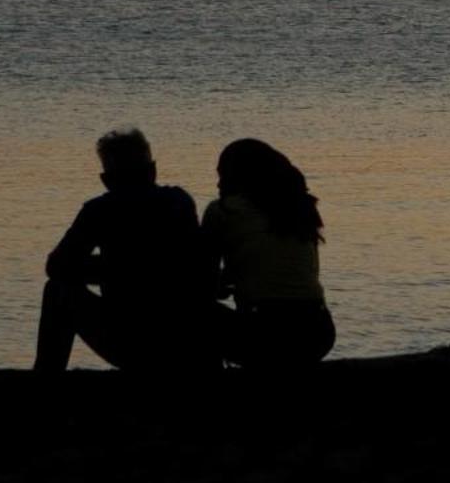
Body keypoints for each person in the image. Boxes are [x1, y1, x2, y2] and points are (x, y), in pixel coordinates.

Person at [35, 128, 217, 373]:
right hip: (185, 337)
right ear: (152, 170)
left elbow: (56, 267)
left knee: (57, 292)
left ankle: (46, 376)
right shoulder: (179, 201)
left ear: (106, 179)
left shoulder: (99, 211)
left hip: (130, 342)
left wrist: (111, 267)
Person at [203, 138, 336, 368]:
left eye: (222, 175)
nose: (218, 184)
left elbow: (202, 280)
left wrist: (221, 285)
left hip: (264, 335)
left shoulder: (222, 211)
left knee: (190, 310)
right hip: (318, 332)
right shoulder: (300, 209)